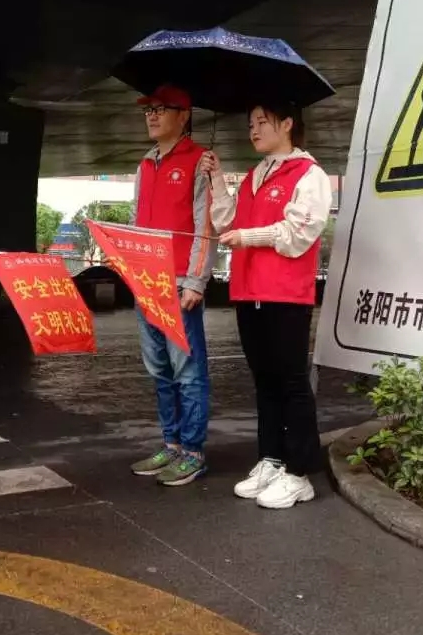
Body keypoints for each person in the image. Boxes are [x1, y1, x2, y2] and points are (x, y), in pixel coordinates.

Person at [200, 101, 332, 509]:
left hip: (285, 294)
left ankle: (299, 473)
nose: (254, 130)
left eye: (262, 122)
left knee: (292, 382)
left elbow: (298, 233)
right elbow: (228, 222)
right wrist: (216, 179)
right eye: (250, 123)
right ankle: (272, 459)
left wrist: (248, 237)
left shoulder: (309, 174)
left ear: (288, 123)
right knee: (265, 382)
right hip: (248, 292)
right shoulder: (255, 176)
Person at [126, 83, 215, 486]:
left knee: (188, 370)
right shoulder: (145, 165)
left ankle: (193, 451)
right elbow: (135, 223)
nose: (152, 115)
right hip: (146, 282)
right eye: (149, 109)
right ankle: (171, 444)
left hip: (179, 283)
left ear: (184, 115)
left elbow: (205, 227)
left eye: (162, 109)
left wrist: (196, 281)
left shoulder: (200, 162)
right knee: (160, 369)